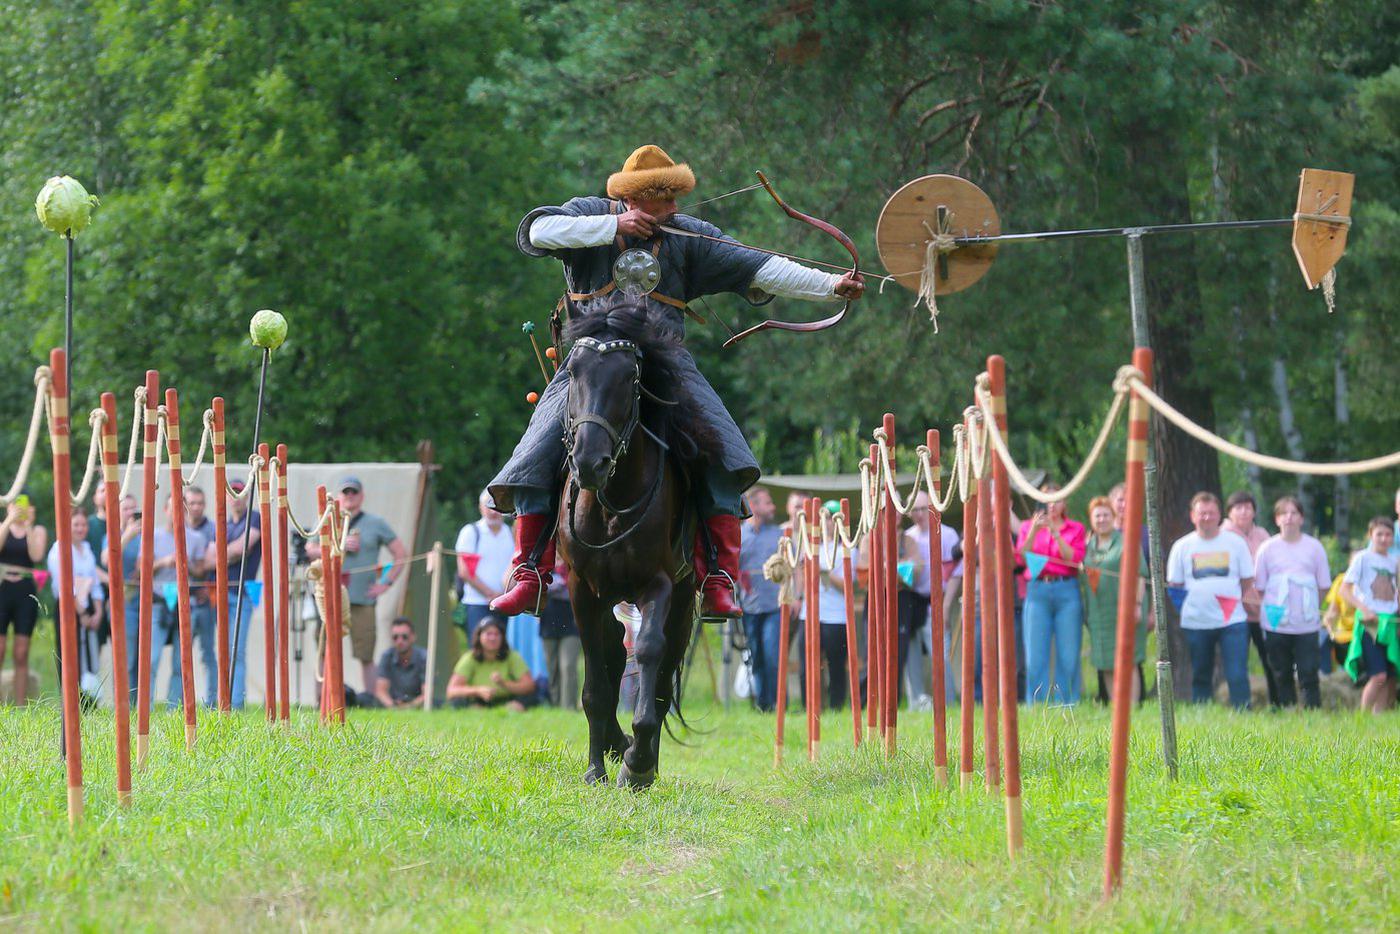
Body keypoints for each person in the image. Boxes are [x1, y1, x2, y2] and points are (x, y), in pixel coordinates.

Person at [485, 144, 865, 620]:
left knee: (726, 450)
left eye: (673, 200)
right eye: (663, 201)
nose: (673, 209)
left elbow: (761, 267)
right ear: (634, 200)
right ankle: (529, 572)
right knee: (536, 449)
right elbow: (537, 232)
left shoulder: (688, 236)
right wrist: (612, 228)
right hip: (589, 364)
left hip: (667, 366)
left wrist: (830, 285)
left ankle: (718, 576)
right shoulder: (587, 217)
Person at [307, 476, 407, 692]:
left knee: (366, 654)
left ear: (361, 496)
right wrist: (337, 545)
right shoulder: (327, 518)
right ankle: (321, 700)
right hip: (330, 597)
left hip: (363, 599)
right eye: (346, 492)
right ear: (339, 496)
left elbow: (401, 554)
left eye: (354, 492)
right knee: (325, 651)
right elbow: (310, 549)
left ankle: (370, 701)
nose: (350, 496)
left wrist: (385, 584)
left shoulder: (376, 523)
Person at [1167, 492, 1256, 709]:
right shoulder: (1182, 546)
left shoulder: (1235, 543)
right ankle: (1202, 715)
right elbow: (1174, 585)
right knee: (1200, 673)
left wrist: (1230, 597)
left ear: (1219, 515)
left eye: (1211, 513)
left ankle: (1243, 714)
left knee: (1237, 673)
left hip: (1233, 620)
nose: (1206, 517)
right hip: (1196, 621)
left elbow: (1246, 580)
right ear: (1192, 516)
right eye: (1202, 513)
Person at [1253, 496, 1330, 709]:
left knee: (1308, 670)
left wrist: (1309, 606)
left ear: (1302, 518)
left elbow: (1323, 585)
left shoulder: (1314, 547)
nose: (1289, 517)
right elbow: (1260, 587)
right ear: (1277, 519)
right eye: (1283, 513)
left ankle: (1313, 710)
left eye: (1294, 512)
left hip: (1306, 623)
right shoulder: (1267, 548)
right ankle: (1286, 709)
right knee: (1281, 670)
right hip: (1277, 621)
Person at [1016, 483, 1087, 704]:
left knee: (1068, 653)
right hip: (1037, 590)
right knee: (1035, 655)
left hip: (1067, 590)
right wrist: (1035, 531)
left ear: (1064, 503)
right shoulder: (1028, 526)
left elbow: (1074, 560)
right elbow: (1021, 557)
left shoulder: (1075, 528)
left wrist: (1056, 534)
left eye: (1057, 499)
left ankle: (1067, 704)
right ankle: (1036, 704)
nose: (1052, 505)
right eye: (1047, 500)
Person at [1082, 496, 1147, 704]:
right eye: (1097, 515)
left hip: (1125, 609)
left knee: (1128, 660)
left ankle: (1133, 707)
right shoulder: (1088, 546)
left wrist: (1136, 606)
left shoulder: (1127, 542)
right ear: (1092, 520)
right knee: (1106, 661)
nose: (1102, 519)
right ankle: (1115, 707)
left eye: (1106, 515)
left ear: (1114, 516)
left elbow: (1140, 576)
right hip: (1099, 614)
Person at [1222, 490, 1279, 706]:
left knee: (1270, 658)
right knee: (1237, 661)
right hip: (1234, 611)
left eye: (1248, 506)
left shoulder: (1263, 534)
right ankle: (1240, 705)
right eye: (1238, 507)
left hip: (1262, 610)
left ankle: (1278, 703)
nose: (1244, 511)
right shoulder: (1223, 535)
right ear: (1229, 512)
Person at [45, 509, 105, 705]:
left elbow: (94, 583)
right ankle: (71, 703)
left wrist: (97, 611)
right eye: (76, 525)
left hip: (87, 609)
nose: (80, 529)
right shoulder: (58, 550)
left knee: (89, 656)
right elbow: (64, 586)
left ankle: (89, 703)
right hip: (68, 610)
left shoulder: (87, 550)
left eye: (83, 525)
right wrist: (81, 614)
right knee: (69, 655)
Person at [1340, 516, 1398, 713]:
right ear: (1371, 535)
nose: (1383, 538)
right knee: (1378, 675)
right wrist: (1364, 609)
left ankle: (1378, 718)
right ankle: (1362, 717)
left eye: (1388, 534)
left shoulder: (1394, 562)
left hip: (1390, 623)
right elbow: (1344, 590)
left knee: (1390, 675)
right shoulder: (1362, 558)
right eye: (1379, 534)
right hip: (1370, 623)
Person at [159, 493, 209, 711]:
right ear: (165, 510)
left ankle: (172, 709)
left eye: (182, 508)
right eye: (173, 508)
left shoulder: (196, 538)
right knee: (150, 660)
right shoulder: (153, 535)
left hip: (186, 605)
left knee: (182, 662)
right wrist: (164, 562)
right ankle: (143, 709)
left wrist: (186, 563)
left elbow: (200, 571)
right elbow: (141, 570)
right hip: (158, 602)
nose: (177, 513)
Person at [739, 486, 784, 711]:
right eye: (768, 503)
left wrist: (795, 596)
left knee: (772, 654)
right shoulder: (738, 535)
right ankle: (763, 703)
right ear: (754, 506)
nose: (773, 507)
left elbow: (793, 567)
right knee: (756, 655)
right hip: (748, 607)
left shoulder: (779, 535)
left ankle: (774, 702)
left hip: (774, 606)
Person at [0, 495, 47, 705]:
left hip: (25, 592)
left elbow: (36, 556)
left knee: (21, 652)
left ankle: (20, 705)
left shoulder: (37, 531)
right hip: (3, 589)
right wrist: (9, 521)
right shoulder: (3, 526)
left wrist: (28, 525)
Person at [455, 491, 515, 638]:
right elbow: (465, 571)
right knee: (478, 650)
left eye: (495, 507)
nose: (492, 512)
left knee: (503, 652)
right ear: (480, 508)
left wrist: (503, 595)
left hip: (505, 604)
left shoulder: (510, 533)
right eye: (488, 507)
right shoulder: (470, 532)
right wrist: (490, 594)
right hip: (477, 603)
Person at [446, 616, 536, 711]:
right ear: (479, 637)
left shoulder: (512, 656)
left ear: (503, 637)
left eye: (497, 634)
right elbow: (451, 691)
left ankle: (509, 708)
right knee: (457, 701)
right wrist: (478, 690)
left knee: (532, 696)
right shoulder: (469, 658)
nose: (492, 638)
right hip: (478, 700)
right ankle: (477, 710)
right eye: (488, 634)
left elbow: (529, 686)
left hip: (508, 698)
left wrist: (504, 683)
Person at [224, 479, 260, 708]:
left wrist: (218, 555)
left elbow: (242, 548)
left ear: (246, 496)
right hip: (218, 595)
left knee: (236, 651)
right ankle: (221, 701)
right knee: (219, 652)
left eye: (239, 493)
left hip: (242, 595)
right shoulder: (225, 524)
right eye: (232, 494)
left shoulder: (253, 518)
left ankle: (236, 704)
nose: (235, 498)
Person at [182, 486, 219, 707]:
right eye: (192, 503)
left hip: (205, 600)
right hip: (178, 600)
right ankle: (177, 703)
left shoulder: (213, 530)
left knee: (207, 653)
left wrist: (198, 565)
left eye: (199, 503)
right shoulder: (177, 527)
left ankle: (211, 701)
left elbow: (211, 563)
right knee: (181, 655)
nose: (196, 507)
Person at [538, 559, 580, 708]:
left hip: (572, 623)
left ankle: (568, 706)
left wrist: (554, 587)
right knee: (552, 667)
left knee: (568, 666)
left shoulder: (574, 566)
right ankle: (555, 705)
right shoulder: (543, 566)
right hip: (548, 622)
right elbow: (538, 587)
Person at [370, 617, 427, 708]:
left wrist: (409, 706)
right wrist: (393, 706)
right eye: (395, 637)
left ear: (413, 637)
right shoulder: (387, 656)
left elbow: (427, 694)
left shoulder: (423, 657)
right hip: (393, 702)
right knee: (365, 699)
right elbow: (381, 691)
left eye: (404, 637)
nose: (399, 641)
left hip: (416, 703)